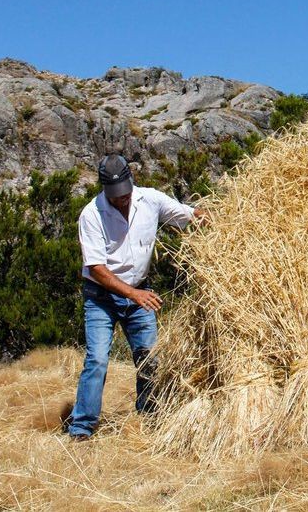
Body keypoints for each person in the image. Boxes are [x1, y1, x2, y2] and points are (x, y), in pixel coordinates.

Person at [66, 154, 206, 441]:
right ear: (105, 189)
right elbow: (96, 269)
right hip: (101, 298)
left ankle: (149, 417)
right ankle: (81, 427)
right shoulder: (91, 215)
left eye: (126, 193)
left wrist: (220, 213)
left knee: (149, 358)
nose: (123, 200)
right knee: (98, 360)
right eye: (116, 196)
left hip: (139, 291)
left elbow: (188, 215)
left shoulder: (150, 200)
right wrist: (134, 295)